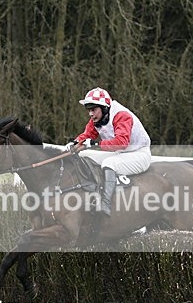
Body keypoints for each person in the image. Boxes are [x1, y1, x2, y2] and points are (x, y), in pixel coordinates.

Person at [65, 87, 152, 216]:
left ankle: (105, 203)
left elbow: (121, 143)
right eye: (89, 110)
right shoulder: (98, 118)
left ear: (104, 108)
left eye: (93, 110)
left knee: (109, 163)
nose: (90, 114)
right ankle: (92, 193)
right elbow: (87, 134)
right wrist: (75, 142)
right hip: (121, 153)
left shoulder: (121, 115)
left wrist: (95, 144)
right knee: (84, 155)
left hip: (139, 154)